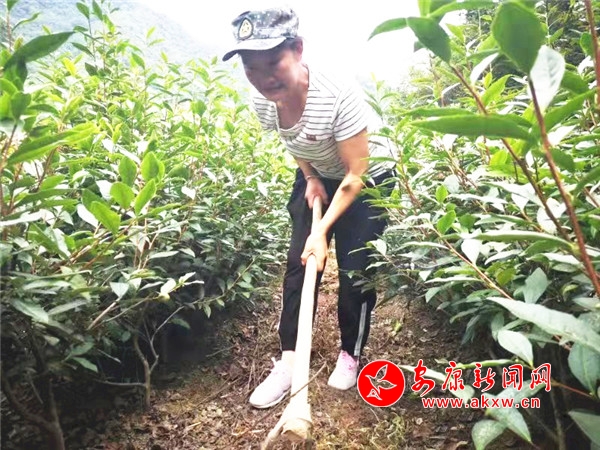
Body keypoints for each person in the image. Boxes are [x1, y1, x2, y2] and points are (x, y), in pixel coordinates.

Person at [222, 7, 397, 409]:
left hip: (366, 179)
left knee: (355, 270)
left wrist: (322, 231)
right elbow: (293, 139)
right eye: (251, 67)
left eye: (273, 62)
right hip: (319, 173)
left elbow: (355, 174)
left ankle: (351, 353)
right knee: (299, 265)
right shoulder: (263, 99)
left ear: (298, 50)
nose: (263, 77)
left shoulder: (336, 94)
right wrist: (310, 176)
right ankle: (289, 359)